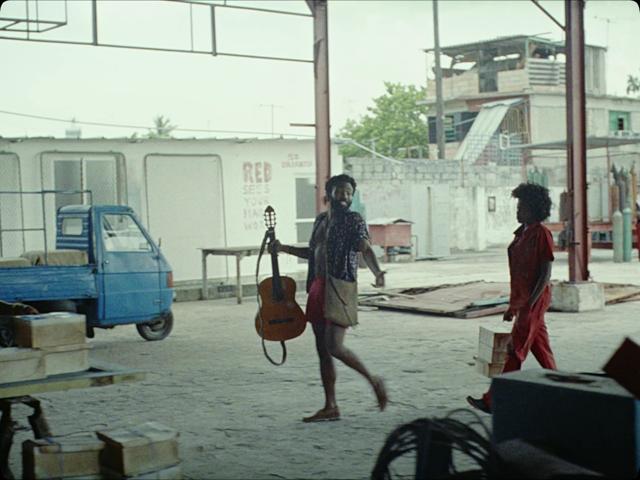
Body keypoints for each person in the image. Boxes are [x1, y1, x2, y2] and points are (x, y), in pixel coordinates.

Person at [271, 174, 388, 422]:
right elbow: (312, 252)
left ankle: (373, 380)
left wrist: (378, 272)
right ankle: (330, 406)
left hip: (340, 287)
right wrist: (283, 248)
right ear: (329, 194)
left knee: (335, 346)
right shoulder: (321, 220)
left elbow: (365, 248)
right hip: (317, 286)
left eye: (348, 192)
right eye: (340, 191)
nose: (344, 196)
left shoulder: (354, 220)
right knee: (323, 351)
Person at [467, 183, 557, 414]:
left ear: (534, 209)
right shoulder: (521, 234)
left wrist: (530, 304)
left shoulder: (541, 234)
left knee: (516, 351)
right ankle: (562, 389)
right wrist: (513, 306)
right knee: (541, 349)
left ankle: (493, 401)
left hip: (534, 299)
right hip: (525, 300)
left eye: (522, 206)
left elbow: (545, 273)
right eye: (518, 206)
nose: (518, 210)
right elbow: (518, 276)